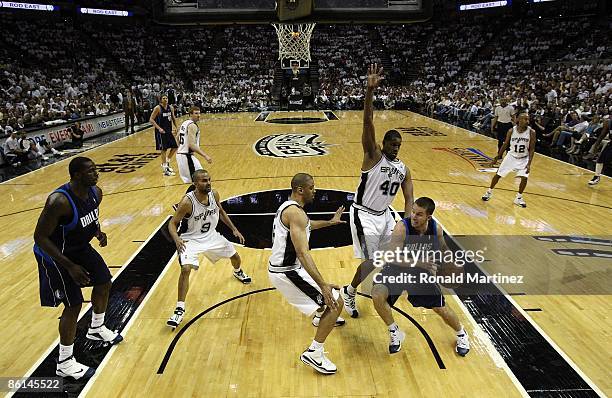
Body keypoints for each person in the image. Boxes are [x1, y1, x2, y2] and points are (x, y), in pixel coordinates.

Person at [33, 157, 123, 380]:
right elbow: (40, 237)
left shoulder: (96, 192)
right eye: (90, 171)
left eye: (96, 169)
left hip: (78, 247)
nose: (96, 173)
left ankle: (96, 328)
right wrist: (71, 266)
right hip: (55, 255)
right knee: (73, 305)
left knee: (104, 281)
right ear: (76, 175)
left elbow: (91, 216)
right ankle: (64, 362)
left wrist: (97, 232)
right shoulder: (59, 201)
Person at [342, 64, 414, 318]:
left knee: (393, 254)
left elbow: (409, 197)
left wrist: (406, 223)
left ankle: (385, 290)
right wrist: (369, 91)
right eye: (392, 144)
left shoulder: (404, 169)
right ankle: (349, 292)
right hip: (363, 214)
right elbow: (367, 121)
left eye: (399, 145)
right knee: (371, 261)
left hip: (385, 215)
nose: (395, 148)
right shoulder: (373, 155)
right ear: (383, 143)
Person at [371, 197, 469, 356]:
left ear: (428, 217)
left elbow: (443, 248)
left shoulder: (435, 229)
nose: (414, 217)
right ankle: (395, 332)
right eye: (413, 212)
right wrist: (419, 262)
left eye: (419, 214)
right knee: (377, 294)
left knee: (440, 308)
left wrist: (453, 264)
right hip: (397, 269)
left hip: (420, 273)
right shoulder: (402, 228)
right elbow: (392, 257)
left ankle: (461, 333)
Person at [268, 173, 345, 374]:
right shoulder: (296, 214)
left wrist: (330, 222)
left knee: (329, 300)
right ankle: (314, 353)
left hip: (289, 268)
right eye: (311, 187)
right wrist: (323, 285)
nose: (315, 190)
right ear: (300, 190)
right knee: (336, 302)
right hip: (286, 272)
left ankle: (321, 316)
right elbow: (303, 253)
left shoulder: (291, 208)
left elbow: (306, 226)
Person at [166, 169, 251, 329]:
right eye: (204, 181)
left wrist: (234, 229)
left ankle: (237, 271)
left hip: (212, 236)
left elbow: (221, 211)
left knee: (236, 257)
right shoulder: (187, 202)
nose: (208, 183)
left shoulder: (215, 194)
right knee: (185, 269)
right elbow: (172, 223)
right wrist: (177, 239)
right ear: (195, 184)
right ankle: (179, 308)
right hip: (191, 240)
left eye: (209, 179)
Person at [482, 112, 536, 207]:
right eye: (524, 119)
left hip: (524, 158)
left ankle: (518, 198)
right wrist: (497, 157)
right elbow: (505, 144)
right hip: (511, 156)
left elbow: (532, 149)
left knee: (524, 177)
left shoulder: (532, 132)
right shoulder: (511, 131)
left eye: (528, 119)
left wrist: (529, 163)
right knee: (498, 174)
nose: (527, 121)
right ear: (518, 120)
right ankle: (489, 192)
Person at [176, 106, 213, 183]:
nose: (198, 115)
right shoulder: (192, 125)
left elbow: (177, 137)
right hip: (186, 156)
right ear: (190, 114)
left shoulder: (185, 123)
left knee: (200, 179)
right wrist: (205, 156)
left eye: (199, 113)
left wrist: (180, 148)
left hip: (183, 155)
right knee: (199, 180)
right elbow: (191, 145)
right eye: (196, 113)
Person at [149, 94, 179, 177]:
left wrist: (176, 127)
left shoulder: (171, 107)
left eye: (166, 98)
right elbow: (151, 119)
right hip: (161, 132)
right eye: (164, 98)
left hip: (169, 131)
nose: (165, 99)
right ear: (161, 100)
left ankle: (166, 161)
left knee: (175, 146)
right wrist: (159, 128)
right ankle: (165, 170)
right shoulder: (157, 108)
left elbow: (173, 117)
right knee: (164, 150)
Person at [588, 116, 610, 185]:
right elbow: (602, 135)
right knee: (600, 159)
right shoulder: (608, 123)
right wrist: (596, 145)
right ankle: (596, 177)